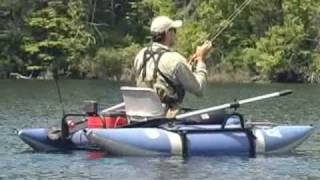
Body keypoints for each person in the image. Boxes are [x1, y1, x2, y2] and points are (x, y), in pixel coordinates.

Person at [134, 16, 212, 117]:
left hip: (142, 114)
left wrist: (187, 67)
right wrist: (201, 59)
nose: (176, 33)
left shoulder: (140, 54)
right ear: (168, 33)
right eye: (174, 30)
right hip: (165, 119)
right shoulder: (175, 59)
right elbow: (199, 90)